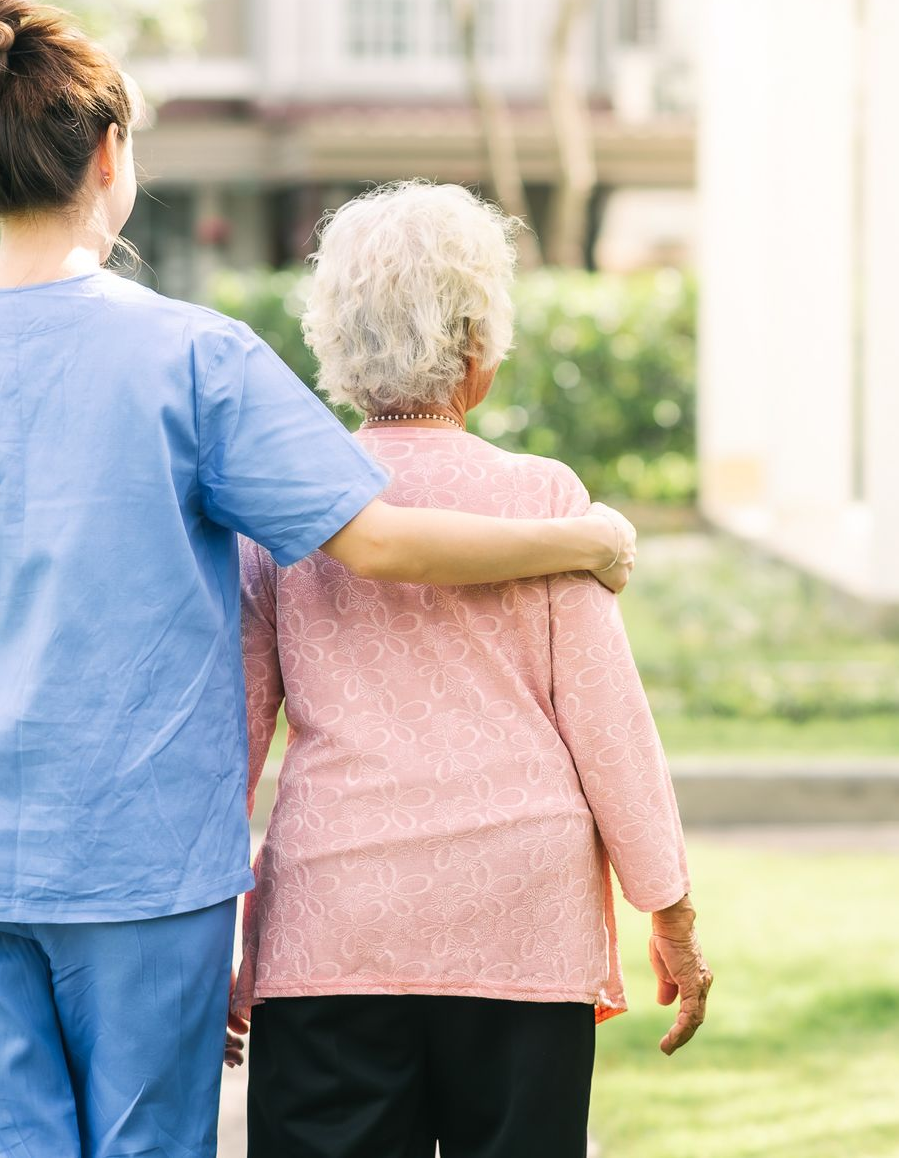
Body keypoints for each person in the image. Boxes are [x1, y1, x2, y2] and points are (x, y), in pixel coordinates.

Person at [0, 0, 638, 1158]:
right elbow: (376, 538)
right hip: (141, 866)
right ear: (110, 154)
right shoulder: (193, 355)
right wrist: (579, 539)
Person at [230, 181, 712, 1158]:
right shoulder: (543, 501)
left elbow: (226, 743)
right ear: (477, 349)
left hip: (333, 924)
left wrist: (212, 942)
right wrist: (671, 915)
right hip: (519, 921)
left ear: (336, 340)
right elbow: (609, 732)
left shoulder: (285, 514)